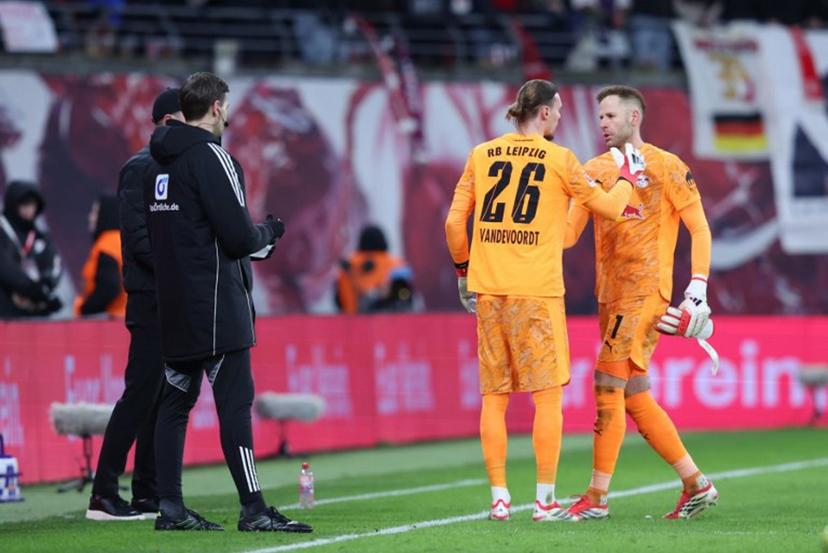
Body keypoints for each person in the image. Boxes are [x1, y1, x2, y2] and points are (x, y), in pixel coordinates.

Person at [444, 79, 642, 522]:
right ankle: (544, 500)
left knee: (494, 399)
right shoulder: (560, 160)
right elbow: (610, 206)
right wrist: (627, 174)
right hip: (537, 292)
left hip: (490, 290)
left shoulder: (482, 154)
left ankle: (499, 499)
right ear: (547, 113)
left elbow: (455, 222)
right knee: (546, 399)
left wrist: (463, 272)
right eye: (560, 111)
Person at [145, 72, 310, 533]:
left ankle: (171, 507)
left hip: (174, 306)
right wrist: (270, 233)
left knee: (174, 404)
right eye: (228, 105)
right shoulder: (213, 158)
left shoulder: (153, 166)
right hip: (217, 305)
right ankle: (254, 508)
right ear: (217, 106)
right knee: (234, 405)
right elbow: (239, 239)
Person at [561, 85, 718, 521]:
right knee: (634, 393)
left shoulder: (668, 166)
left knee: (606, 384)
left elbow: (699, 229)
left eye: (610, 116)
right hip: (609, 297)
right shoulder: (592, 170)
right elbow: (568, 235)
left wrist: (698, 287)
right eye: (599, 118)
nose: (603, 124)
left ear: (634, 118)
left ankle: (596, 497)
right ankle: (696, 483)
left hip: (646, 292)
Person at [86, 89, 184, 521]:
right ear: (164, 121)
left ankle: (147, 491)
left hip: (174, 297)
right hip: (149, 297)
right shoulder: (139, 169)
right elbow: (138, 240)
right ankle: (103, 493)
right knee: (141, 392)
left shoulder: (179, 168)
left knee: (161, 396)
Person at [0, 181, 62, 319]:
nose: (29, 209)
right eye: (24, 204)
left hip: (35, 314)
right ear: (13, 204)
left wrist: (47, 282)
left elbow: (55, 263)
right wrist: (33, 289)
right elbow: (6, 268)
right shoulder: (3, 231)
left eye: (33, 204)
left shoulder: (40, 236)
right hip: (5, 314)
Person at [335, 224, 414, 313]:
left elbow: (340, 299)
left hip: (354, 318)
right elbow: (405, 294)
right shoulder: (396, 263)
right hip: (390, 315)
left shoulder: (350, 263)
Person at [74, 195, 127, 318]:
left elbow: (109, 288)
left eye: (95, 212)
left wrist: (83, 309)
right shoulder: (125, 241)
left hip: (111, 321)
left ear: (105, 214)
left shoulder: (107, 245)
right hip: (128, 320)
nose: (90, 217)